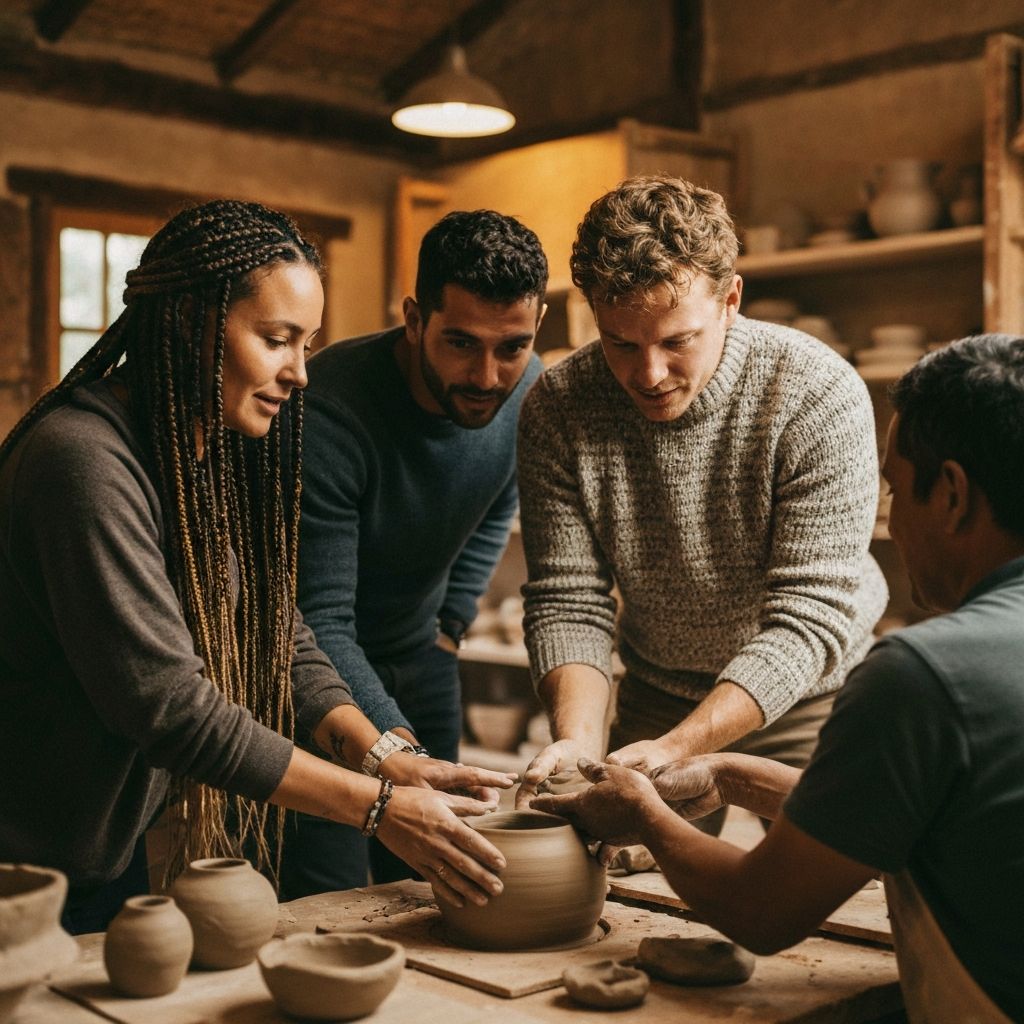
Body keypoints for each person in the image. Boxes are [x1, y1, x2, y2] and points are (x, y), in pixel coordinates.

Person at [0, 200, 512, 934]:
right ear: (187, 324)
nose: (300, 373)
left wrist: (387, 759)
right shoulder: (81, 464)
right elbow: (173, 709)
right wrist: (377, 809)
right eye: (278, 340)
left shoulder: (191, 455)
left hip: (96, 849)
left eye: (308, 345)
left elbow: (276, 634)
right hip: (19, 858)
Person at [532, 333, 1024, 1023]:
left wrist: (642, 810)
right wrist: (729, 774)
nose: (889, 517)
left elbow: (761, 913)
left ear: (951, 494)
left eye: (892, 487)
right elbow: (900, 817)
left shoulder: (923, 677)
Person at [515, 175, 888, 831]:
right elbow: (568, 596)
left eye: (676, 340)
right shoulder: (560, 404)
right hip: (659, 687)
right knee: (630, 889)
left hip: (812, 696)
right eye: (621, 343)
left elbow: (809, 617)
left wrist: (680, 749)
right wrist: (579, 738)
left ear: (730, 301)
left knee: (824, 893)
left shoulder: (818, 393)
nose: (649, 374)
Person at [283, 209, 547, 896]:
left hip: (425, 661)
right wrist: (390, 758)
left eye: (512, 347)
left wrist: (451, 626)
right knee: (330, 891)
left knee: (443, 874)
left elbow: (497, 502)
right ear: (413, 317)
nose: (488, 376)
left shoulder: (527, 389)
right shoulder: (331, 411)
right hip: (319, 677)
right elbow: (320, 618)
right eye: (461, 343)